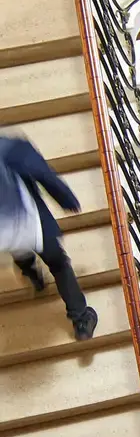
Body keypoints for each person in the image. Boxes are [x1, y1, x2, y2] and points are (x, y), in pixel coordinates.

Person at [0, 135, 97, 340]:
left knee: (19, 249)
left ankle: (34, 277)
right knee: (59, 264)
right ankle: (81, 319)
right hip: (30, 223)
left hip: (3, 235)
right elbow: (43, 174)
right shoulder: (10, 148)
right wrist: (66, 199)